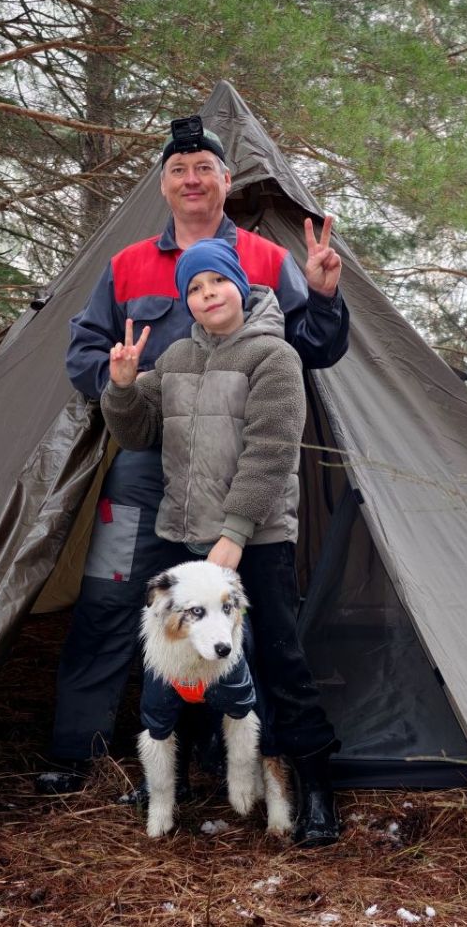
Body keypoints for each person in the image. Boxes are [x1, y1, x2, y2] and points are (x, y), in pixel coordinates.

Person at [41, 115, 348, 842]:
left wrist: (326, 296)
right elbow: (91, 359)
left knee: (259, 633)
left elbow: (308, 352)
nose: (191, 180)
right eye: (178, 170)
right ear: (164, 185)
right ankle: (95, 754)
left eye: (204, 168)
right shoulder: (127, 267)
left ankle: (254, 764)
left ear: (224, 181)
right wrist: (121, 380)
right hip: (155, 478)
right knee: (123, 607)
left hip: (243, 484)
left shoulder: (270, 262)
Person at [102, 238, 336, 845]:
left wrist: (234, 536)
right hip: (184, 539)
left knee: (277, 661)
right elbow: (136, 433)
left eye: (216, 283)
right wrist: (123, 388)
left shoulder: (274, 356)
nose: (207, 296)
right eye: (194, 289)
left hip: (255, 541)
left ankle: (313, 792)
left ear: (240, 284)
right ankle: (195, 777)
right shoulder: (177, 358)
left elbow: (271, 453)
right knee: (178, 660)